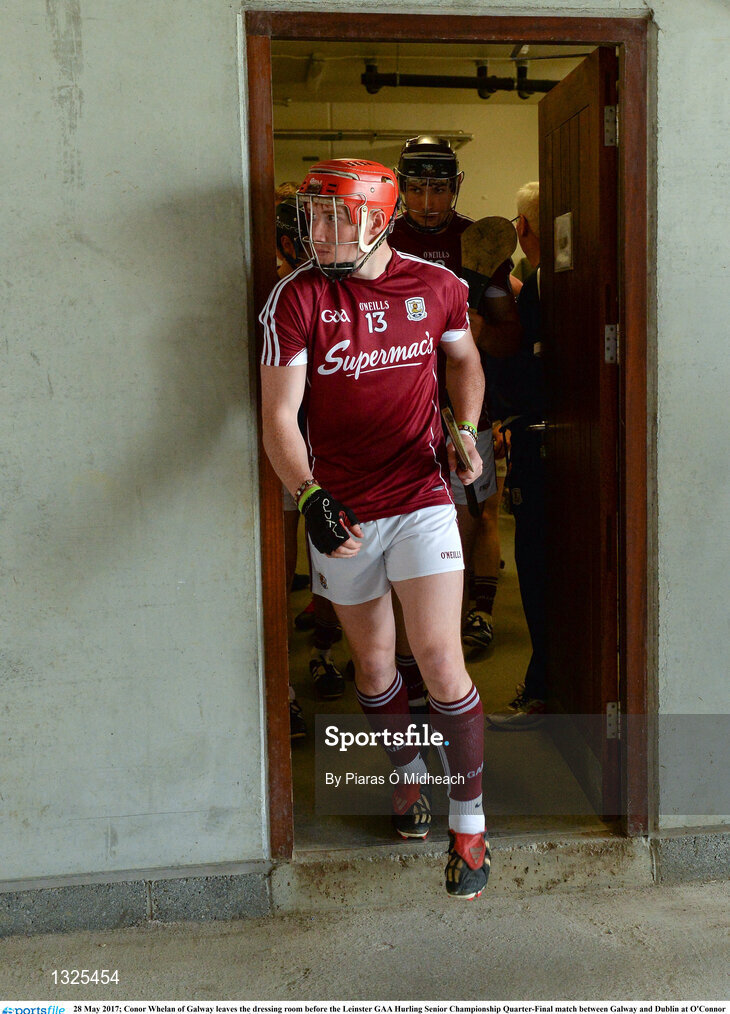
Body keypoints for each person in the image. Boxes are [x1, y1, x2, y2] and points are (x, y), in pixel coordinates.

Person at [260, 158, 491, 899]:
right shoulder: (294, 299)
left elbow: (466, 365)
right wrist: (308, 493)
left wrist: (466, 428)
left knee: (439, 656)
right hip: (345, 507)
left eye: (337, 216)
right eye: (313, 215)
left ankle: (471, 826)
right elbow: (276, 415)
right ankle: (406, 778)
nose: (318, 232)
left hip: (422, 494)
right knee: (374, 666)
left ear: (379, 219)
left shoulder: (437, 286)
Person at [389, 136, 521, 702]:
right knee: (405, 518)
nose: (425, 200)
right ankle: (407, 641)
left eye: (437, 187)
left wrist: (472, 323)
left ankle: (478, 612)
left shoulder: (481, 238)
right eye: (415, 187)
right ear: (400, 186)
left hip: (468, 403)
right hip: (397, 406)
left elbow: (507, 338)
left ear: (456, 186)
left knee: (476, 509)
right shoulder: (381, 237)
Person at [275, 195, 347, 706]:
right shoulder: (282, 292)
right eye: (309, 231)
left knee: (330, 554)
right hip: (285, 444)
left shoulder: (352, 284)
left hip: (339, 445)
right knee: (276, 560)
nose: (319, 240)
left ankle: (322, 651)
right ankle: (282, 682)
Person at [484, 181, 548, 729]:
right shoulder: (559, 280)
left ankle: (544, 685)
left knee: (536, 563)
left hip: (538, 444)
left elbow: (518, 367)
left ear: (521, 228)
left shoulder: (532, 288)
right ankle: (547, 681)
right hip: (551, 443)